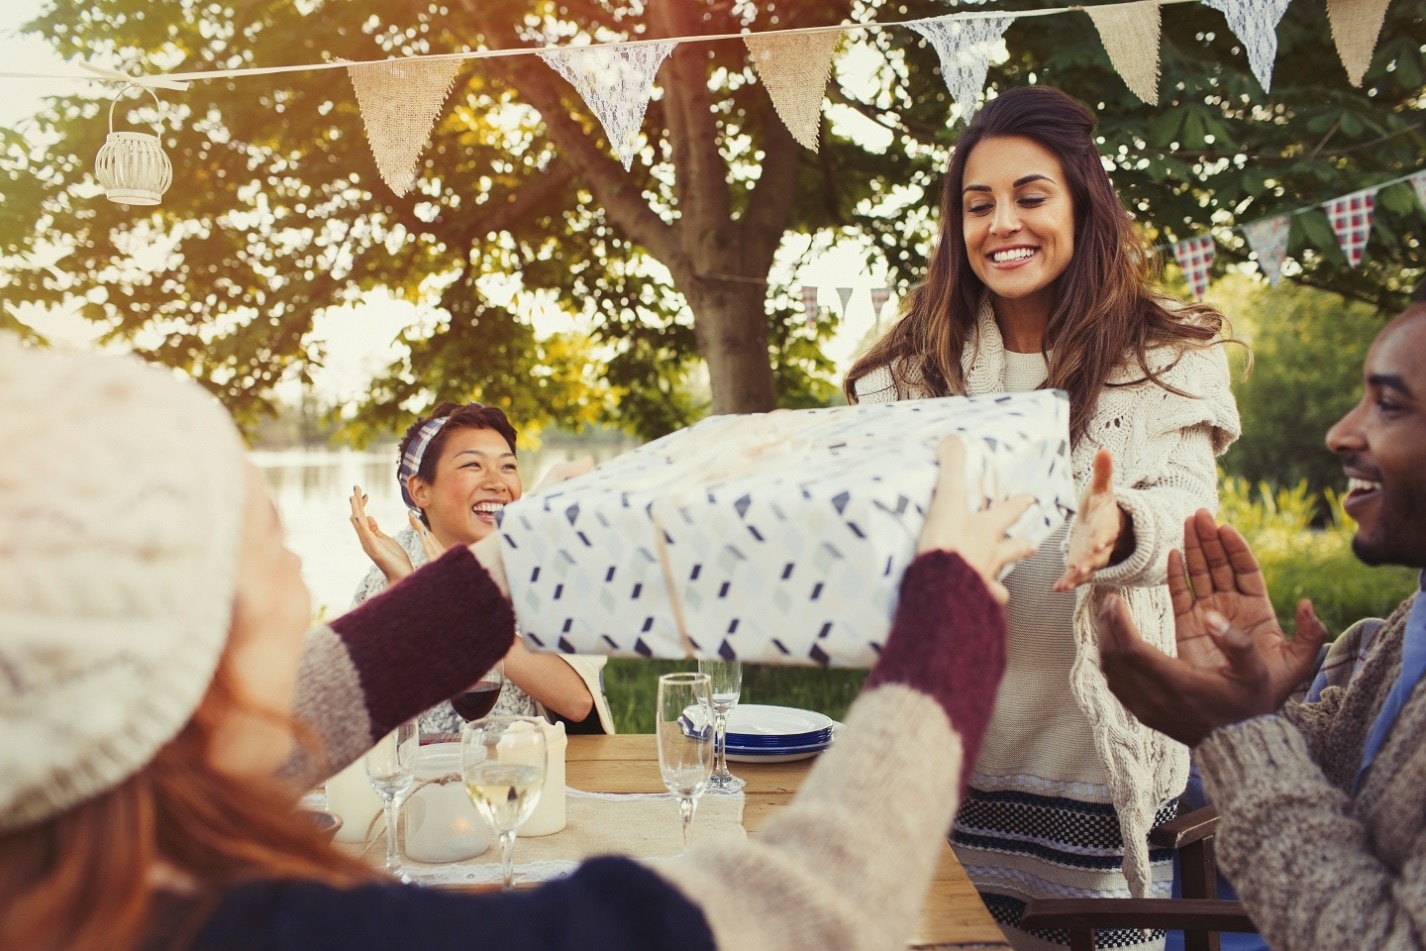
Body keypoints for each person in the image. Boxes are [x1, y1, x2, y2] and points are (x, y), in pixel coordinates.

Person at [0, 335, 1038, 951]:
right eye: (272, 557)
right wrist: (949, 616)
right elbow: (812, 910)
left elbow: (307, 701)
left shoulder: (71, 837)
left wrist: (520, 563)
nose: (305, 587)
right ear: (188, 662)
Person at [843, 85, 1242, 947]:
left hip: (1096, 768)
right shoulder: (909, 374)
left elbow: (1188, 514)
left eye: (1031, 196)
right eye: (977, 205)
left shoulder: (1168, 354)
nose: (1002, 224)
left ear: (1080, 204)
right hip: (946, 758)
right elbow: (864, 536)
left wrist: (1122, 527)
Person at [1098, 298, 1426, 950]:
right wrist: (1249, 698)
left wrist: (1235, 732)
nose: (1340, 433)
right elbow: (1356, 775)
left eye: (1389, 405)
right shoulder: (1414, 619)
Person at [348, 401, 614, 736]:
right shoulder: (387, 574)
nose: (498, 483)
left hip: (525, 773)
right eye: (473, 465)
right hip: (420, 779)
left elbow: (577, 702)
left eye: (507, 467)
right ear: (420, 490)